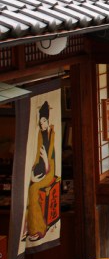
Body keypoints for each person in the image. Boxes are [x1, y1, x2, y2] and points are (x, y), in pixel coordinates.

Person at [27, 101, 58, 241]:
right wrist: (33, 173)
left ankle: (39, 229)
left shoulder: (52, 133)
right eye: (40, 123)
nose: (42, 125)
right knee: (29, 185)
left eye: (44, 121)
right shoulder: (40, 134)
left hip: (49, 169)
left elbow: (50, 158)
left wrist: (45, 161)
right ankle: (29, 226)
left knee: (33, 190)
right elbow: (35, 156)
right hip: (39, 168)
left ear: (48, 120)